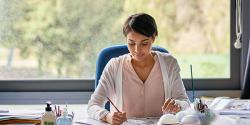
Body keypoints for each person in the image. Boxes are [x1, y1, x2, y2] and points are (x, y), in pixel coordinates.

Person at [87, 13, 190, 125]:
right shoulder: (114, 66)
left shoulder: (169, 63)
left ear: (153, 38)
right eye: (131, 43)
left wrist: (178, 105)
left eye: (144, 43)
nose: (137, 50)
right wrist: (107, 116)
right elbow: (93, 105)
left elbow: (185, 103)